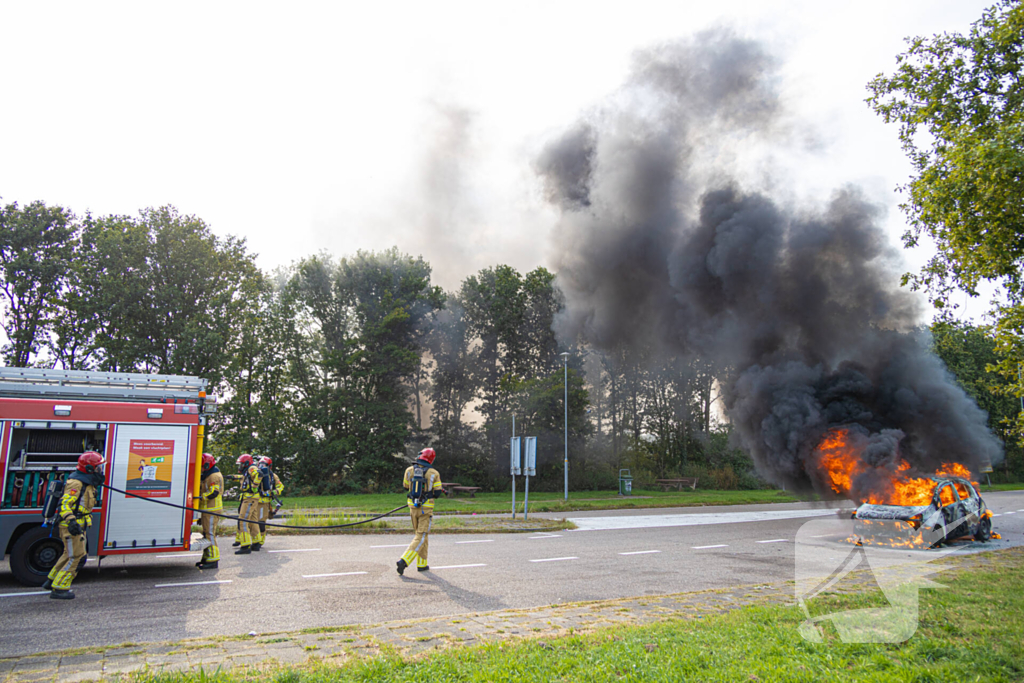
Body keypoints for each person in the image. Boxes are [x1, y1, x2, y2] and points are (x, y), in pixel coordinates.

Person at [44, 451, 105, 599]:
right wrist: (71, 522)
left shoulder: (86, 482)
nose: (100, 470)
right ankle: (60, 588)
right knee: (76, 556)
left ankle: (51, 580)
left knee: (68, 554)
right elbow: (64, 505)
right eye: (98, 467)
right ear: (89, 469)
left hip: (79, 524)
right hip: (72, 525)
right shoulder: (76, 483)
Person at [397, 448, 445, 575]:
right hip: (426, 509)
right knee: (421, 535)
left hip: (413, 508)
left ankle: (422, 564)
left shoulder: (409, 470)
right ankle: (404, 560)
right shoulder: (434, 473)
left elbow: (406, 486)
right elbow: (438, 493)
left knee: (422, 536)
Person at [196, 453, 223, 569]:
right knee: (206, 534)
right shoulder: (209, 474)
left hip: (212, 509)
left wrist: (200, 497)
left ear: (207, 465)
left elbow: (214, 492)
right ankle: (207, 557)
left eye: (201, 466)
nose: (200, 469)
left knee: (210, 534)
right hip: (207, 509)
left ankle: (213, 559)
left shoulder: (213, 476)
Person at [234, 454, 263, 554]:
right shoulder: (249, 469)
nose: (240, 466)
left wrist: (254, 487)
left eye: (241, 464)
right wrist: (233, 477)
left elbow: (259, 475)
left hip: (249, 498)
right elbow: (245, 477)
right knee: (253, 520)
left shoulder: (252, 468)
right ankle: (256, 542)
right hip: (252, 498)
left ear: (246, 463)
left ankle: (245, 545)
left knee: (243, 520)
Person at [256, 456, 284, 547]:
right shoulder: (256, 473)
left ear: (269, 466)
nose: (262, 466)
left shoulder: (272, 476)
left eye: (264, 465)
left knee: (261, 522)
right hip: (254, 501)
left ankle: (261, 539)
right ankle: (253, 539)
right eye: (260, 464)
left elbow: (280, 486)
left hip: (265, 502)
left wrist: (275, 492)